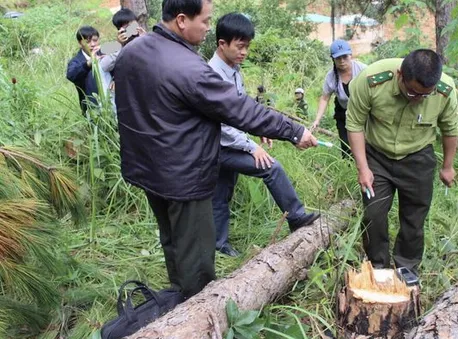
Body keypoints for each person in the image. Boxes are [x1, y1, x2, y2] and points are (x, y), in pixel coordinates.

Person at [114, 0, 317, 299]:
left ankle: (177, 294)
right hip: (183, 176)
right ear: (182, 20)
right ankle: (197, 309)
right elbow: (241, 110)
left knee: (172, 238)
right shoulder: (189, 68)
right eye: (206, 21)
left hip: (147, 168)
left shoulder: (133, 51)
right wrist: (294, 130)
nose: (209, 27)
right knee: (196, 253)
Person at [208, 13, 320, 257]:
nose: (244, 52)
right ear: (222, 44)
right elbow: (221, 123)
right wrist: (250, 146)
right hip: (219, 146)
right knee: (270, 167)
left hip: (226, 144)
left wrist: (259, 130)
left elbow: (239, 109)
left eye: (247, 46)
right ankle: (297, 216)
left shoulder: (233, 69)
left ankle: (218, 245)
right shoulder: (212, 75)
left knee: (221, 193)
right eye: (240, 46)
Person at [346, 49, 458, 275]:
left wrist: (448, 166)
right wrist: (363, 168)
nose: (418, 99)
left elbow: (450, 129)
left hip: (418, 157)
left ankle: (406, 267)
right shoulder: (371, 81)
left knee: (414, 217)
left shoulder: (445, 91)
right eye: (413, 93)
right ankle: (377, 267)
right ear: (400, 75)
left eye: (425, 95)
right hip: (377, 155)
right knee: (374, 214)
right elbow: (355, 124)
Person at [311, 39, 366, 158]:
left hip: (363, 110)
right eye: (338, 58)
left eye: (344, 57)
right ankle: (348, 167)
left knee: (366, 141)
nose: (342, 61)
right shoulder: (331, 77)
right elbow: (325, 98)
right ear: (333, 59)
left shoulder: (362, 69)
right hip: (343, 112)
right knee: (347, 144)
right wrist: (317, 120)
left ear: (350, 55)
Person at [66, 26, 102, 115]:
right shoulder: (76, 61)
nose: (93, 44)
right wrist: (88, 64)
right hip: (92, 111)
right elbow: (71, 75)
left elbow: (119, 44)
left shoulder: (103, 50)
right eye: (87, 42)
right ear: (80, 43)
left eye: (95, 40)